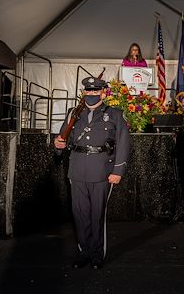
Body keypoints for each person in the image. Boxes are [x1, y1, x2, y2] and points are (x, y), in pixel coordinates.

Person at [54, 76, 130, 270]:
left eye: (95, 92)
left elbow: (123, 143)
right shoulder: (74, 113)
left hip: (102, 170)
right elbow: (63, 138)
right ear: (84, 93)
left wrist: (118, 170)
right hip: (77, 169)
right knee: (80, 214)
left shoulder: (114, 114)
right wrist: (57, 145)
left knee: (97, 214)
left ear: (103, 93)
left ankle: (97, 254)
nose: (91, 95)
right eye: (88, 92)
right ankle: (84, 252)